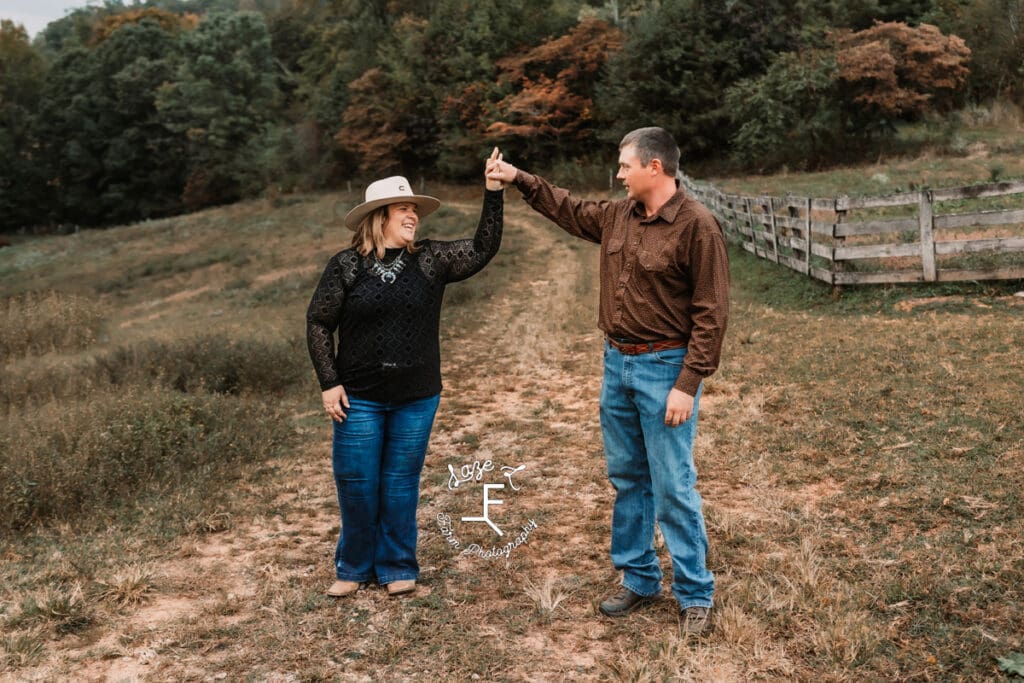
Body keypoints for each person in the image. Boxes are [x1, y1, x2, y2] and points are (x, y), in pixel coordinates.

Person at [486, 128, 729, 632]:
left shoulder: (697, 226)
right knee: (628, 479)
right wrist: (517, 179)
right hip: (616, 363)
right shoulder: (617, 216)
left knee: (673, 484)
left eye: (624, 166)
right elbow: (568, 208)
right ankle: (639, 578)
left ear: (654, 168)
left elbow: (712, 312)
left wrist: (687, 382)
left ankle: (694, 594)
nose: (618, 175)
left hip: (666, 368)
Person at [306, 149, 504, 598]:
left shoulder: (431, 260)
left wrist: (492, 193)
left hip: (417, 395)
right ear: (379, 217)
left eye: (415, 209)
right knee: (357, 484)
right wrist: (328, 381)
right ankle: (354, 567)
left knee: (399, 485)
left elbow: (482, 248)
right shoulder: (347, 266)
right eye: (404, 209)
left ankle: (397, 565)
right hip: (358, 395)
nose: (413, 215)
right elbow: (319, 322)